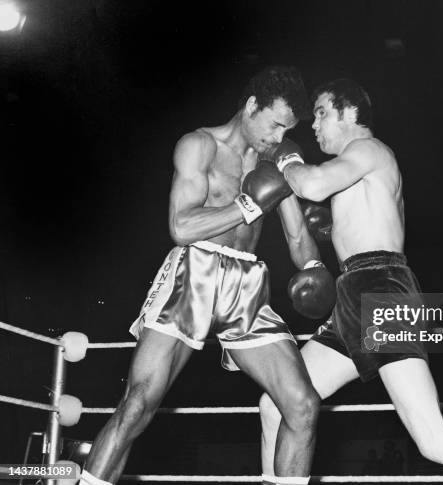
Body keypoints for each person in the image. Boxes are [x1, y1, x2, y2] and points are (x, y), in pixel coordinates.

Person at [259, 78, 443, 485]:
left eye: (322, 112)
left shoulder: (366, 148)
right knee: (278, 404)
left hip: (380, 288)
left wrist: (286, 157)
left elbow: (311, 184)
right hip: (355, 292)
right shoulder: (357, 165)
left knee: (434, 440)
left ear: (350, 113)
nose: (313, 125)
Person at [79, 66, 334, 485]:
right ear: (252, 105)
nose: (277, 137)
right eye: (274, 124)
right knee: (138, 405)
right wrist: (247, 207)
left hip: (247, 284)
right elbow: (180, 227)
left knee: (303, 404)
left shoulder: (277, 159)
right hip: (193, 272)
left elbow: (297, 236)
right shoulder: (199, 146)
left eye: (286, 129)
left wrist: (315, 268)